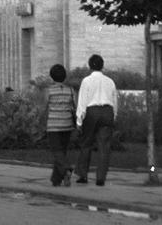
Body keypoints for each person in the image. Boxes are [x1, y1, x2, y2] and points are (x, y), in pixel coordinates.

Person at [75, 54, 118, 186]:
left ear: (89, 65)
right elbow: (114, 101)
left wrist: (79, 120)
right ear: (102, 66)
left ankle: (83, 175)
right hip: (107, 112)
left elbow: (82, 101)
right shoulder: (110, 81)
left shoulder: (86, 81)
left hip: (92, 112)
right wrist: (114, 116)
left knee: (86, 143)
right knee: (104, 146)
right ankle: (101, 178)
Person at [43, 64, 76, 186]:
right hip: (67, 125)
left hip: (53, 125)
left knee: (57, 151)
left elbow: (44, 106)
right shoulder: (71, 90)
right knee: (62, 152)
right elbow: (74, 107)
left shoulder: (49, 90)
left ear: (52, 76)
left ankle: (67, 169)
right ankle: (56, 180)